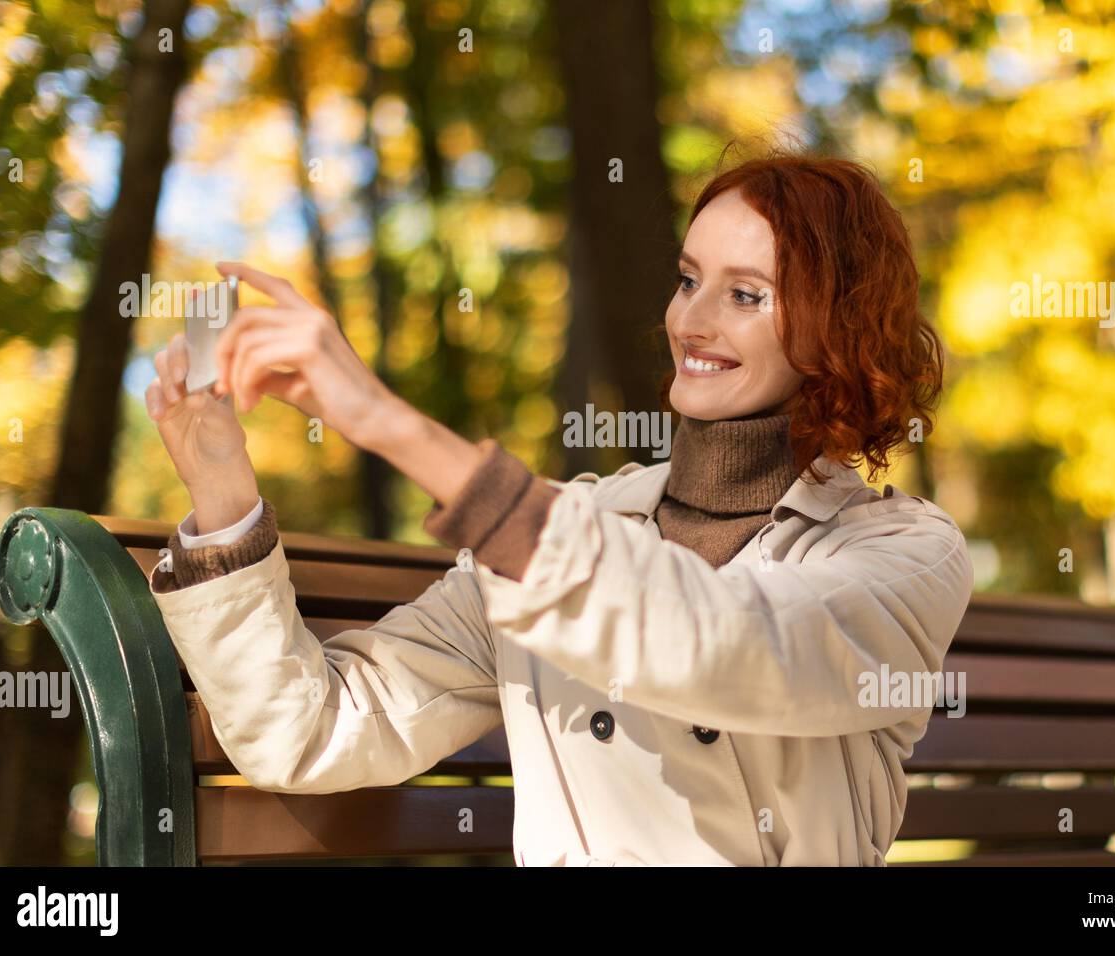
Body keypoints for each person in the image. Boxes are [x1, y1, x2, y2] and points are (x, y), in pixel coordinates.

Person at [144, 153, 975, 866]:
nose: (691, 319)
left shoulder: (901, 553)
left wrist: (383, 420)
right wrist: (223, 497)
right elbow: (306, 733)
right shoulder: (574, 527)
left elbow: (725, 645)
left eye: (746, 295)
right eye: (688, 280)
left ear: (837, 328)